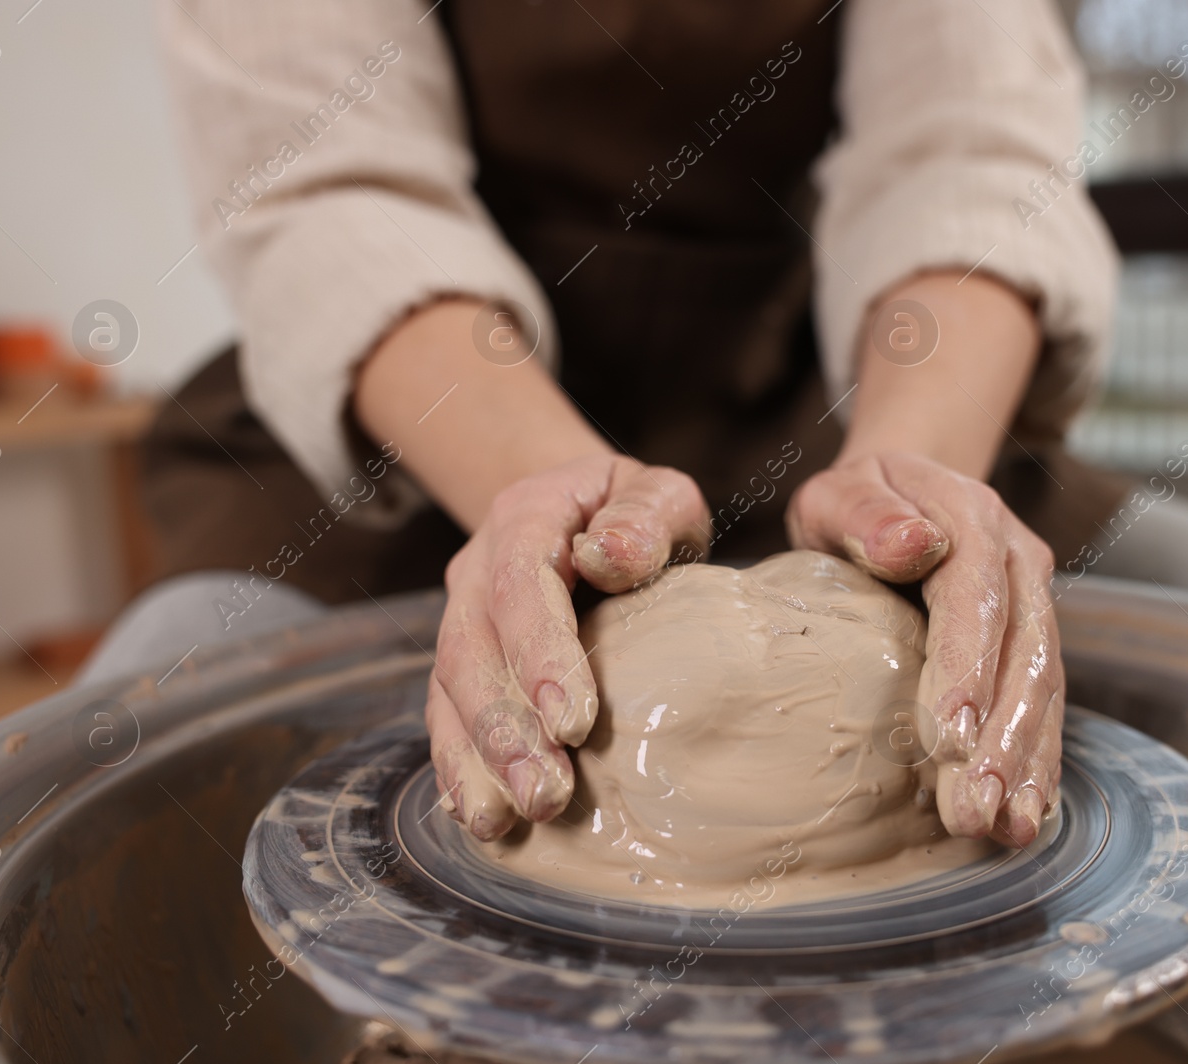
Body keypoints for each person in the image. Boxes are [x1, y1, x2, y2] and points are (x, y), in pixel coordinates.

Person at [148, 0, 1119, 850]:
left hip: (811, 381)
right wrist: (555, 497)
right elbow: (331, 184)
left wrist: (907, 486)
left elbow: (964, 153)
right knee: (172, 679)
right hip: (426, 391)